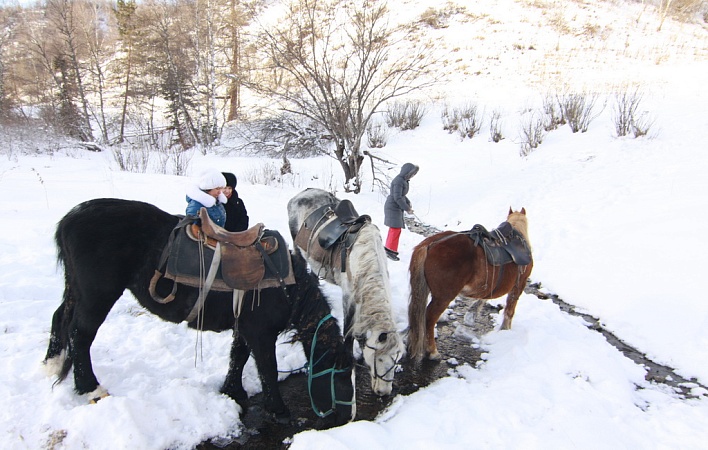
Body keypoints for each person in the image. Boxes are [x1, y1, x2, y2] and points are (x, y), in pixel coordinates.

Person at [383, 162, 419, 261]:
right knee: (395, 229)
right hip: (392, 207)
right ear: (406, 172)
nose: (413, 176)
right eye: (412, 173)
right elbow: (397, 197)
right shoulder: (398, 181)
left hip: (396, 206)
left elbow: (402, 195)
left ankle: (390, 249)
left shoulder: (404, 181)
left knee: (395, 229)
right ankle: (389, 250)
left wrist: (408, 202)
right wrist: (407, 208)